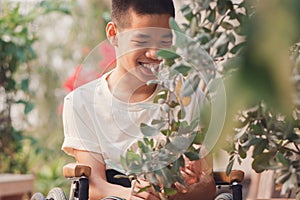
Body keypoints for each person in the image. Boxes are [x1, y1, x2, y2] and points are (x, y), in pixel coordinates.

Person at [62, 0, 216, 199]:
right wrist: (134, 195)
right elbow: (93, 187)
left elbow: (208, 186)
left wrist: (184, 188)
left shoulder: (188, 94)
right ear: (113, 34)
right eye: (142, 41)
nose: (154, 54)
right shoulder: (81, 103)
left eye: (164, 41)